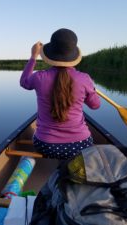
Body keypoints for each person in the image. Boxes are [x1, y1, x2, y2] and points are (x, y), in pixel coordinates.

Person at [20, 28, 100, 160]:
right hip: (81, 145)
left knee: (40, 139)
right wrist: (92, 90)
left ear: (50, 54)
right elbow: (95, 105)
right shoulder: (85, 79)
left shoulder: (39, 77)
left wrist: (33, 56)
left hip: (46, 145)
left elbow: (24, 82)